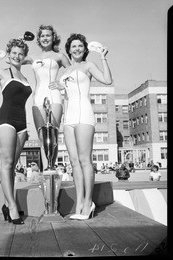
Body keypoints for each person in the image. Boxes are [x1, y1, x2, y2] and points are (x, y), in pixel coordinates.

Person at [50, 33, 112, 220]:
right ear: (68, 50)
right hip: (69, 119)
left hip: (85, 115)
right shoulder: (65, 72)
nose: (76, 49)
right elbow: (64, 91)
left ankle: (88, 202)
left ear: (85, 49)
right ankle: (79, 203)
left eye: (80, 46)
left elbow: (107, 80)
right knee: (74, 162)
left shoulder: (88, 65)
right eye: (73, 46)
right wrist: (58, 87)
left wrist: (103, 57)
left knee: (85, 161)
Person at [0, 35, 33, 224]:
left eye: (21, 54)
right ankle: (12, 207)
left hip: (22, 124)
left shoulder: (24, 76)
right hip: (6, 120)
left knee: (12, 168)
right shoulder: (3, 72)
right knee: (7, 164)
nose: (17, 56)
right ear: (8, 55)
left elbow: (31, 60)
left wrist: (21, 54)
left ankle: (5, 203)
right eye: (14, 53)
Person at [22, 25, 70, 170]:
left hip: (54, 96)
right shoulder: (32, 57)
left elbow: (73, 73)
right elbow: (13, 58)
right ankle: (45, 170)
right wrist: (20, 40)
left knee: (53, 133)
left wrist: (62, 84)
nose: (45, 38)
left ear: (53, 37)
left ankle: (52, 168)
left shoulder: (60, 56)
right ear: (38, 38)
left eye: (48, 35)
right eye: (42, 36)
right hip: (37, 98)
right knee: (42, 136)